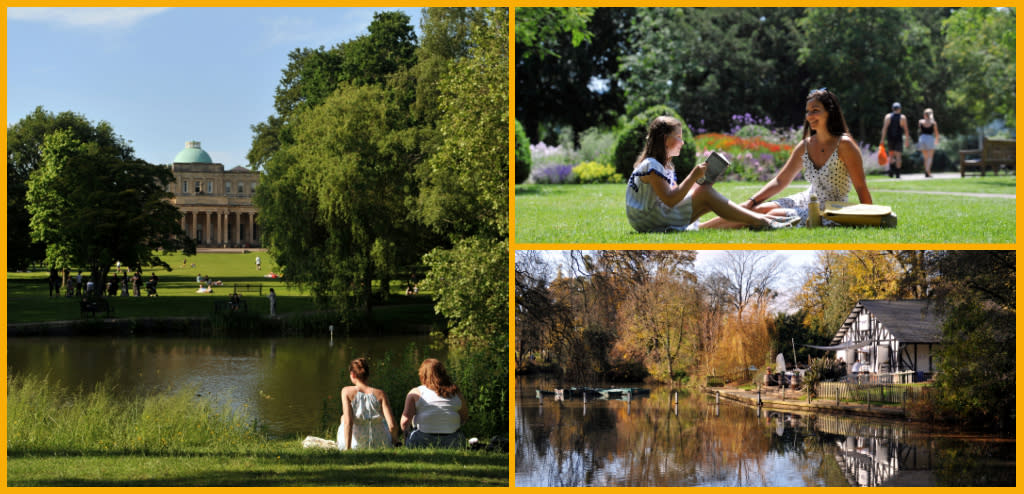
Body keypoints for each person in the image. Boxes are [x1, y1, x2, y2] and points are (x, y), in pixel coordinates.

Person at [706, 88, 873, 228]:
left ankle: (699, 228)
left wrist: (872, 217)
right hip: (807, 198)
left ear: (830, 112)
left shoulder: (844, 145)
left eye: (815, 110)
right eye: (808, 111)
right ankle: (698, 228)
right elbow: (780, 181)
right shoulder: (805, 145)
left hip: (830, 209)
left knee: (771, 214)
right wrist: (752, 201)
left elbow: (860, 186)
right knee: (758, 209)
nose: (809, 116)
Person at [626, 116, 798, 232]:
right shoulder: (652, 165)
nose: (682, 141)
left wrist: (700, 181)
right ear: (665, 139)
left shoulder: (663, 166)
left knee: (705, 192)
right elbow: (671, 200)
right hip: (648, 219)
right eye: (678, 136)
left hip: (651, 216)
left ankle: (757, 219)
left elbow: (676, 195)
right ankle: (762, 221)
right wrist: (693, 176)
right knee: (705, 193)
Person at [302, 358, 399, 450]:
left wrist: (348, 448)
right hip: (381, 443)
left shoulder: (346, 391)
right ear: (367, 375)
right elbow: (392, 425)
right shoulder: (381, 394)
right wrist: (394, 442)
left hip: (357, 444)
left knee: (343, 418)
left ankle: (348, 445)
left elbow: (349, 422)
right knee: (383, 420)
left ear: (352, 374)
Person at [401, 358, 469, 448]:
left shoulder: (416, 392)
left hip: (421, 440)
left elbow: (405, 422)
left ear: (422, 374)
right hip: (454, 441)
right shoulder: (455, 392)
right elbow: (464, 416)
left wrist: (406, 437)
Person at [880, 102, 911, 178]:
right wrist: (907, 140)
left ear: (892, 108)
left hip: (890, 138)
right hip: (898, 139)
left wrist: (882, 140)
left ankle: (891, 170)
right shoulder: (902, 117)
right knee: (898, 156)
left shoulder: (888, 116)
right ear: (900, 109)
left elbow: (884, 129)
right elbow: (906, 130)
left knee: (891, 155)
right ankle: (898, 173)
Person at [917, 108, 940, 177]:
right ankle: (927, 170)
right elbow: (936, 133)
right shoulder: (933, 123)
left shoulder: (920, 121)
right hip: (930, 138)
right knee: (930, 157)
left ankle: (927, 172)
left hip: (922, 138)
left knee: (925, 157)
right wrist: (937, 140)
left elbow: (920, 129)